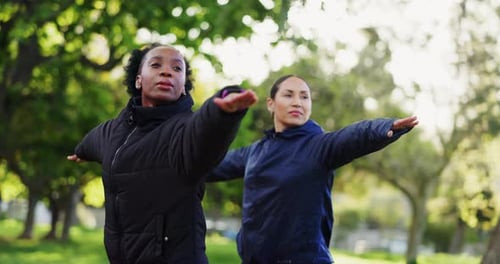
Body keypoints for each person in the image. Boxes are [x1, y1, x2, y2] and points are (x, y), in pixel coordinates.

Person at [67, 43, 258, 264]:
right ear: (138, 79)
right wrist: (81, 152)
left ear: (184, 86)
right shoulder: (114, 131)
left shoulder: (185, 130)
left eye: (177, 69)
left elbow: (206, 127)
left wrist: (224, 108)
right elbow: (93, 141)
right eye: (156, 64)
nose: (167, 71)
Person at [206, 74, 419, 264]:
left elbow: (353, 136)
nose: (298, 102)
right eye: (289, 95)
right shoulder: (256, 151)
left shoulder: (320, 146)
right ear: (271, 103)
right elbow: (209, 165)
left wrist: (384, 127)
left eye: (304, 97)